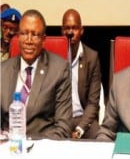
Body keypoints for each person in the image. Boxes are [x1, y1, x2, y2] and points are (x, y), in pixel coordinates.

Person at [1, 9, 73, 139]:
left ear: (43, 40)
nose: (28, 40)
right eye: (24, 33)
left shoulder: (59, 70)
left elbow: (64, 127)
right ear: (18, 37)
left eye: (34, 35)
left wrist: (32, 146)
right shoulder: (3, 70)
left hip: (42, 149)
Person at [61, 9, 101, 139]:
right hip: (60, 119)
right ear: (62, 31)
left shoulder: (91, 58)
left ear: (81, 31)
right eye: (66, 28)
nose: (70, 32)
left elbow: (93, 103)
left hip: (82, 118)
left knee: (100, 138)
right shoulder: (55, 56)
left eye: (74, 28)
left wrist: (80, 129)